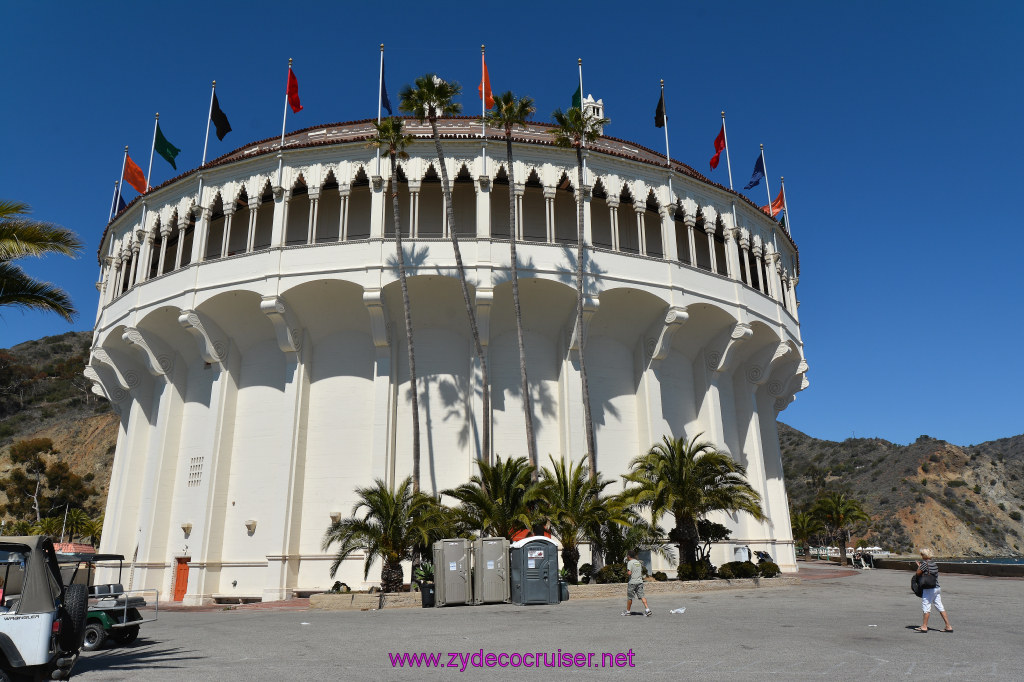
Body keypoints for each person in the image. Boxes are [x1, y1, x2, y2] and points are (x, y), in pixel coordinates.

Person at [914, 547, 953, 633]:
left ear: (925, 555)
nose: (921, 556)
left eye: (922, 554)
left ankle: (924, 626)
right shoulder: (934, 563)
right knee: (940, 606)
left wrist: (919, 567)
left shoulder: (924, 563)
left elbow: (918, 573)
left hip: (929, 588)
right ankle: (948, 626)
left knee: (926, 606)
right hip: (936, 587)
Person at [622, 550, 652, 617]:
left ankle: (628, 612)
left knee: (630, 597)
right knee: (642, 596)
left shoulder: (630, 563)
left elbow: (629, 573)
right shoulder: (638, 562)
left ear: (629, 556)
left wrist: (627, 573)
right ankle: (647, 609)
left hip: (632, 582)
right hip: (640, 582)